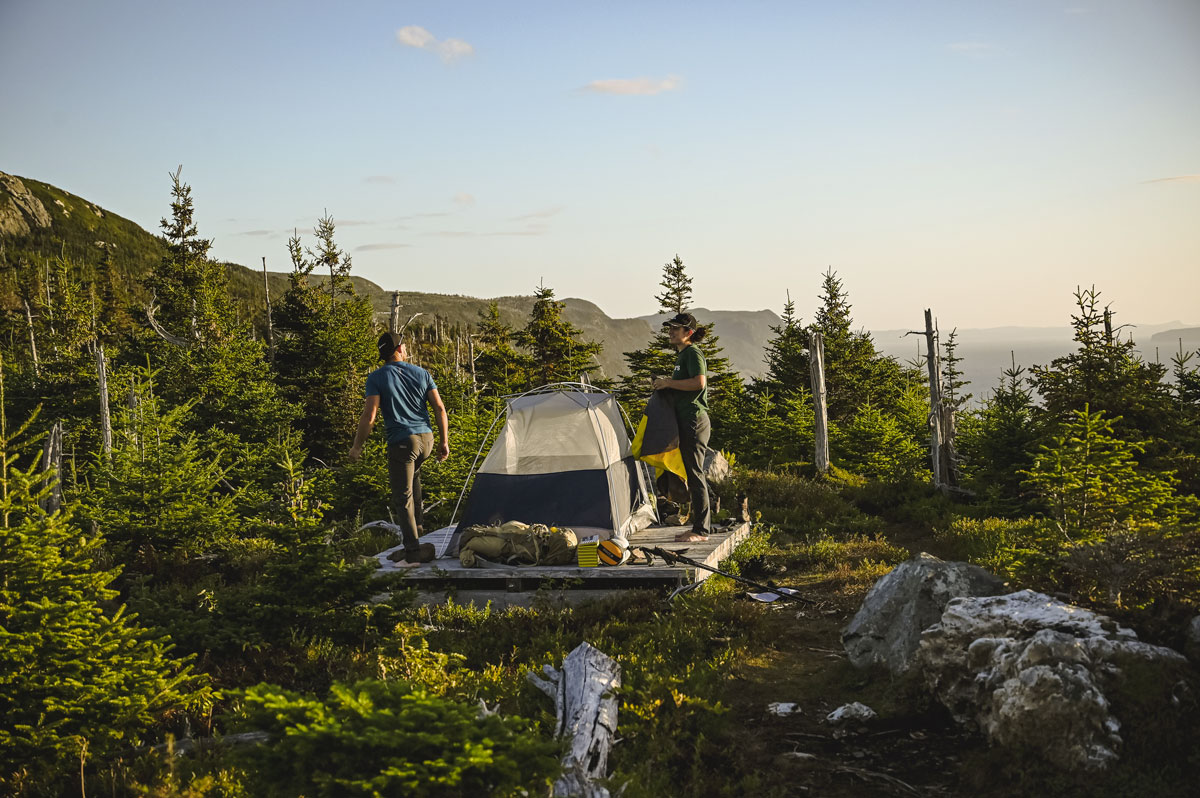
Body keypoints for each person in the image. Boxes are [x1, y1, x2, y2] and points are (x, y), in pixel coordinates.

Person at [348, 332, 450, 566]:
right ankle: (419, 534)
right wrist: (444, 441)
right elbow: (440, 408)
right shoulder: (422, 373)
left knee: (403, 498)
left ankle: (412, 554)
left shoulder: (376, 378)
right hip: (427, 439)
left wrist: (357, 447)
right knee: (414, 485)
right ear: (400, 348)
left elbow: (370, 415)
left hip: (403, 442)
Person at [652, 312, 711, 543]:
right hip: (687, 419)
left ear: (689, 333)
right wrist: (666, 386)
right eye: (670, 327)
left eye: (676, 328)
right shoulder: (683, 355)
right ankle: (699, 526)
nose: (671, 331)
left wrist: (668, 382)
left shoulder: (693, 353)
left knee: (695, 473)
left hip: (694, 420)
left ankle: (701, 531)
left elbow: (699, 383)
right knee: (692, 472)